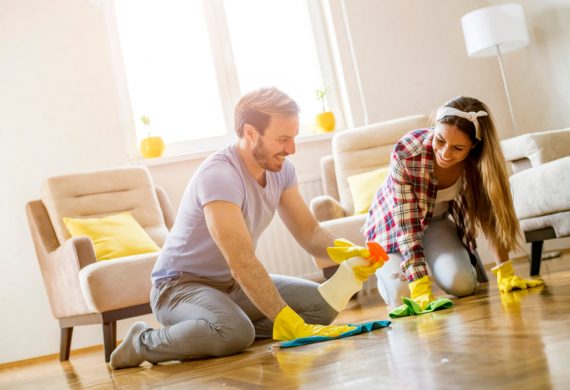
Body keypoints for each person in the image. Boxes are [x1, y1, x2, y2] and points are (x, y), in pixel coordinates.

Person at [110, 87, 380, 369]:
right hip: (179, 287)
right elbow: (240, 260)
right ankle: (143, 342)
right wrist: (288, 321)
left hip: (230, 285)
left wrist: (348, 252)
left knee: (320, 307)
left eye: (294, 138)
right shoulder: (219, 176)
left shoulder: (281, 170)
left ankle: (224, 325)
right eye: (283, 139)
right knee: (235, 333)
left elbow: (309, 232)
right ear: (250, 133)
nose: (292, 149)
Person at [363, 96, 544, 310]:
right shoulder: (407, 152)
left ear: (473, 148)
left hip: (436, 223)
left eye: (458, 148)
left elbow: (489, 214)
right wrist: (419, 286)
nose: (445, 153)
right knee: (403, 296)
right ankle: (387, 273)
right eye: (440, 140)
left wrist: (505, 272)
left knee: (463, 285)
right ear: (435, 127)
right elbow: (407, 226)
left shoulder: (478, 164)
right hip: (392, 228)